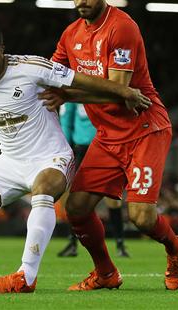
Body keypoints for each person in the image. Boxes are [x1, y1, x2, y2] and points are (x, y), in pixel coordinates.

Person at [0, 22, 150, 294]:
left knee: (42, 193)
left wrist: (123, 91)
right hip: (10, 161)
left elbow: (79, 79)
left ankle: (26, 276)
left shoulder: (30, 68)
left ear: (1, 51)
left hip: (51, 158)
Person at [39, 0, 178, 291]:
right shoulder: (71, 34)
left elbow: (120, 91)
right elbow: (51, 76)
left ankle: (175, 248)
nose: (81, 0)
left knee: (142, 218)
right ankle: (106, 273)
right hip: (107, 137)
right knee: (75, 208)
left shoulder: (122, 28)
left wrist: (68, 95)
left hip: (145, 130)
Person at [57, 103, 129, 258]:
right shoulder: (73, 88)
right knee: (75, 196)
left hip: (106, 146)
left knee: (112, 197)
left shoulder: (102, 85)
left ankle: (120, 244)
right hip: (82, 148)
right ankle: (73, 243)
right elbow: (66, 120)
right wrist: (64, 149)